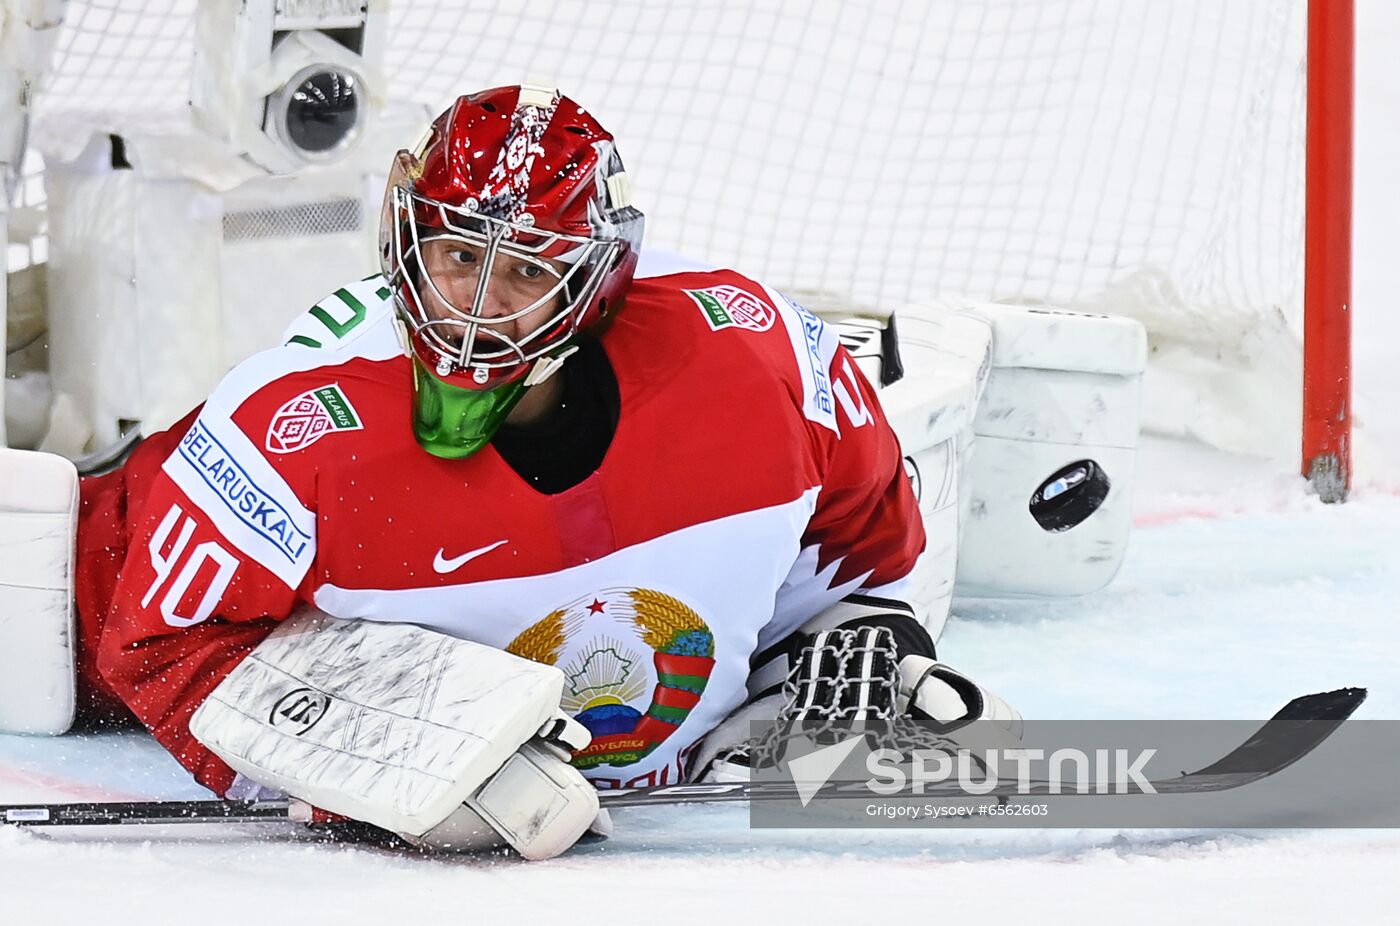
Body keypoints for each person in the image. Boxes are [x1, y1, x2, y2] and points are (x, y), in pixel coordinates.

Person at [0, 85, 1015, 858]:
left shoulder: (759, 356)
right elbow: (152, 642)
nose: (475, 304)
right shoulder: (300, 427)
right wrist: (367, 764)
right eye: (451, 254)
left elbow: (858, 527)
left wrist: (852, 626)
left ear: (596, 276)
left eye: (525, 267)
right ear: (402, 234)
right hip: (95, 552)